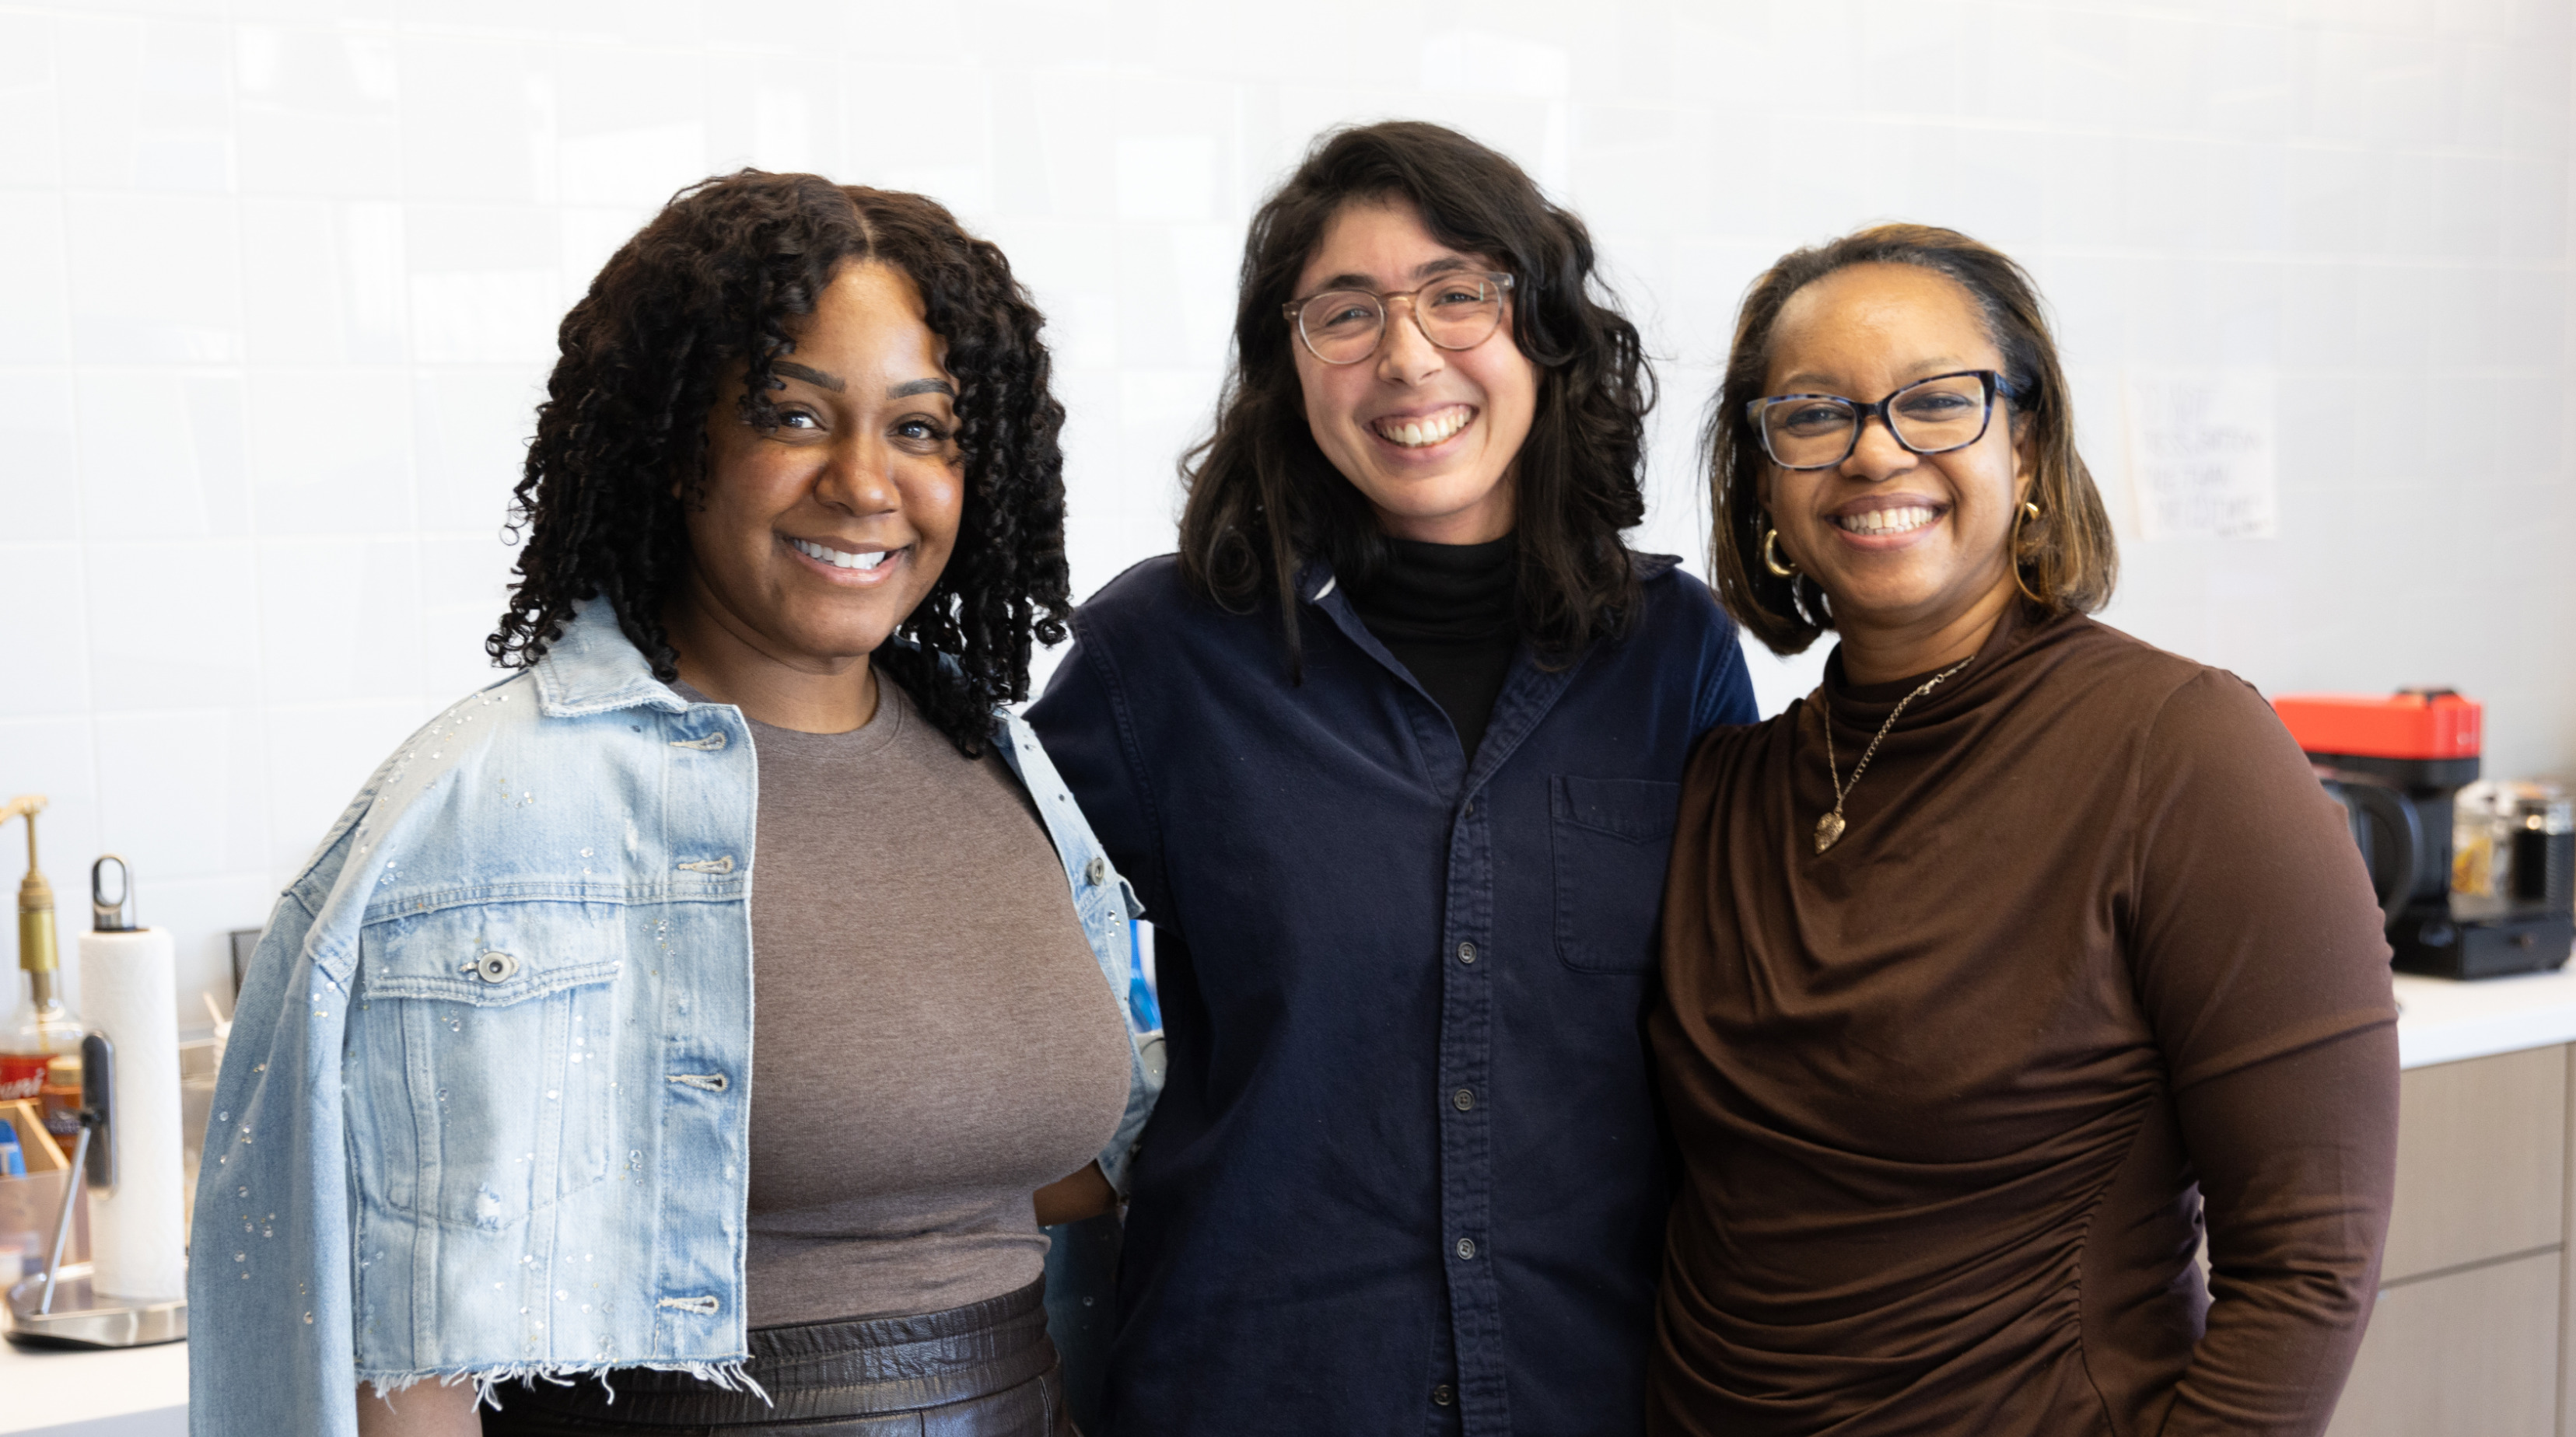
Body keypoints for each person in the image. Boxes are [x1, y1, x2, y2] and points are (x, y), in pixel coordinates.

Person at [188, 172, 1161, 1437]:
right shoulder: (491, 811)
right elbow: (410, 1360)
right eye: (793, 415)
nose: (867, 483)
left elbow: (1035, 1159)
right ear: (670, 442)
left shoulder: (1007, 776)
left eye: (922, 429)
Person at [1027, 121, 1756, 1435]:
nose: (1407, 355)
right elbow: (977, 941)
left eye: (1457, 294)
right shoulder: (1163, 656)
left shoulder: (1672, 654)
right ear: (1286, 366)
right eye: (1346, 312)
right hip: (1260, 1389)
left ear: (1543, 330)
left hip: (1596, 1388)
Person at [1650, 223, 2399, 1435]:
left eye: (1937, 402)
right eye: (1813, 414)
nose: (1875, 451)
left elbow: (2310, 1267)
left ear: (2028, 440)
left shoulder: (2185, 750)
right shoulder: (1728, 783)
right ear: (1764, 477)